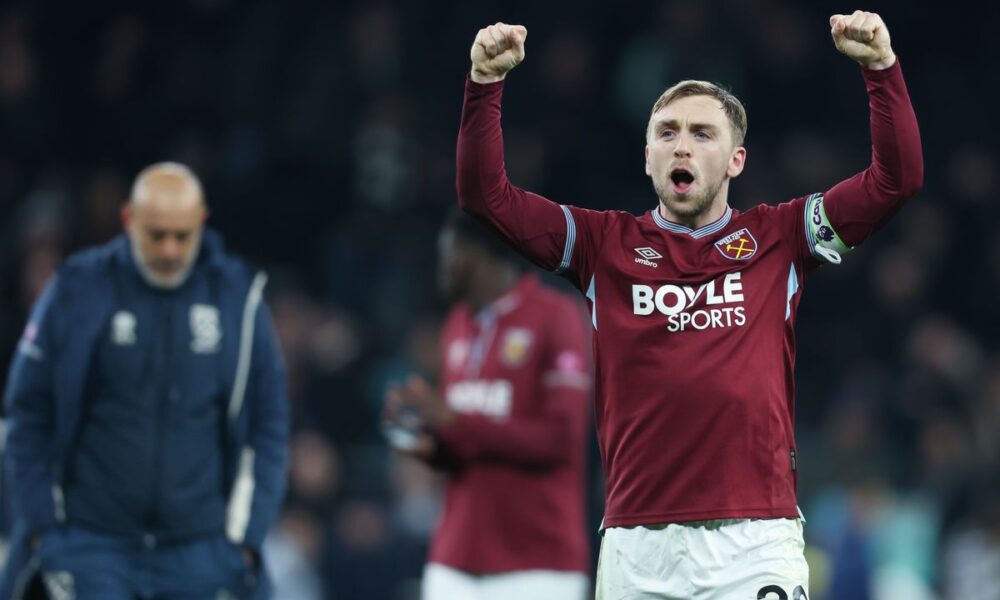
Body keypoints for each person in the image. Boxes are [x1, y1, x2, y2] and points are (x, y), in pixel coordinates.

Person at [456, 11, 922, 599]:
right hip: (637, 547)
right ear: (648, 156)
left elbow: (895, 181)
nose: (683, 145)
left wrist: (881, 69)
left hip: (754, 541)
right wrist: (485, 83)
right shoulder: (601, 245)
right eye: (668, 132)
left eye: (703, 134)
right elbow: (485, 196)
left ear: (736, 160)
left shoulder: (782, 237)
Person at [0, 162, 290, 599]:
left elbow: (269, 424)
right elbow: (28, 412)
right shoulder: (78, 290)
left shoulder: (237, 300)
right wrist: (42, 524)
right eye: (156, 235)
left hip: (201, 549)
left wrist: (246, 538)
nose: (170, 250)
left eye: (182, 236)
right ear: (128, 219)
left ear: (202, 222)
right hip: (93, 543)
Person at [383, 209, 594, 599]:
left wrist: (452, 418)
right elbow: (467, 443)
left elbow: (561, 439)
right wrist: (428, 446)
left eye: (448, 252)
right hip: (455, 561)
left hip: (538, 565)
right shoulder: (457, 324)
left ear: (476, 254)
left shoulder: (556, 316)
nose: (442, 266)